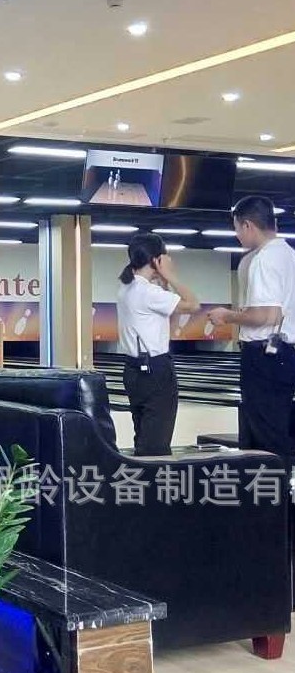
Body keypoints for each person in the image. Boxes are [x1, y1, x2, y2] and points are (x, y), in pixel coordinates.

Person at [209, 196, 295, 472]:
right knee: (277, 427)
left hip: (264, 356)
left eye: (236, 228)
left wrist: (227, 316)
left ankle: (269, 494)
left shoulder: (264, 259)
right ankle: (276, 491)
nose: (237, 236)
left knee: (263, 435)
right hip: (284, 354)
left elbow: (266, 315)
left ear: (247, 225)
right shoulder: (288, 254)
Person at [117, 232, 201, 455]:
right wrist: (171, 276)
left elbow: (170, 323)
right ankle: (153, 477)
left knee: (144, 437)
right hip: (156, 370)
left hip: (133, 370)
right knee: (156, 444)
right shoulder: (148, 292)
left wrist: (163, 283)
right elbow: (194, 304)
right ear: (157, 260)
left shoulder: (127, 288)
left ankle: (140, 475)